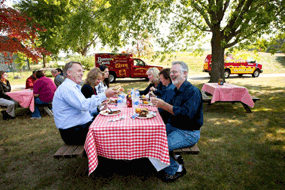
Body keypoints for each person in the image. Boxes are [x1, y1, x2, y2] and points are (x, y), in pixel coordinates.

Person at [151, 61, 203, 182]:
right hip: (174, 126)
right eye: (171, 72)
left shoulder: (192, 92)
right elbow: (167, 108)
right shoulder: (176, 89)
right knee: (150, 137)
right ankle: (172, 160)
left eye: (175, 72)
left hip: (188, 133)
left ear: (185, 73)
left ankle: (175, 169)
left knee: (157, 146)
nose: (172, 74)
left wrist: (164, 105)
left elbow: (186, 115)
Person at [52, 62, 117, 145]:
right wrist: (104, 95)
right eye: (79, 71)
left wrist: (98, 108)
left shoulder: (71, 87)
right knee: (110, 132)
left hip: (78, 128)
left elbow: (83, 108)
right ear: (69, 73)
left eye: (82, 71)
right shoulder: (67, 88)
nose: (82, 74)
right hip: (73, 133)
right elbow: (84, 105)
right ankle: (107, 157)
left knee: (109, 123)